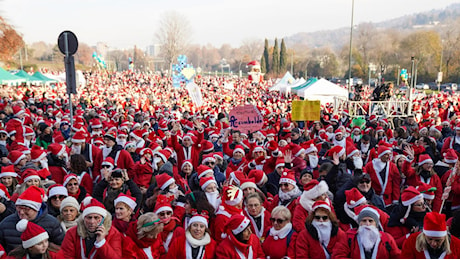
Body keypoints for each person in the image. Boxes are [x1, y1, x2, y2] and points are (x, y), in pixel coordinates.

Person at [0, 186, 65, 253]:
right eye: (19, 208)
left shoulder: (52, 223)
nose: (21, 212)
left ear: (36, 209)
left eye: (26, 209)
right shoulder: (6, 224)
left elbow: (62, 247)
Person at [57, 197, 122, 258]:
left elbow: (115, 258)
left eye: (96, 218)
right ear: (84, 219)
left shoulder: (113, 233)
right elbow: (66, 256)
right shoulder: (72, 233)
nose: (92, 222)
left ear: (103, 219)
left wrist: (102, 242)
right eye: (89, 217)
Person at [332, 206, 401, 259]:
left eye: (370, 221)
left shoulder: (387, 238)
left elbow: (397, 256)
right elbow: (337, 256)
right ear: (359, 223)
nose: (367, 224)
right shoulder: (349, 237)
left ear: (376, 224)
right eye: (364, 221)